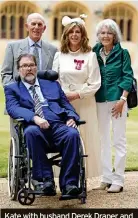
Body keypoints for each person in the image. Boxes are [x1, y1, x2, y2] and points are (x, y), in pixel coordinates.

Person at [4, 53, 81, 197]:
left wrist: (72, 117)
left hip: (58, 124)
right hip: (35, 127)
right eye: (24, 66)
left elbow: (65, 104)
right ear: (19, 70)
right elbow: (13, 108)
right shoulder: (12, 89)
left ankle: (69, 184)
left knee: (72, 133)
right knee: (30, 132)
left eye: (31, 65)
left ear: (36, 67)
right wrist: (35, 118)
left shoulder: (52, 84)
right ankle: (45, 180)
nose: (29, 69)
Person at [52, 15, 101, 180]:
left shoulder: (90, 55)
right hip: (64, 103)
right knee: (65, 136)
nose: (74, 34)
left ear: (82, 34)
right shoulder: (59, 55)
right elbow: (54, 80)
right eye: (71, 31)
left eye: (77, 31)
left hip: (84, 102)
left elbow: (95, 83)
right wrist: (62, 96)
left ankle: (84, 176)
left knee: (85, 137)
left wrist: (77, 94)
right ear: (66, 35)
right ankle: (64, 176)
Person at [93, 19, 133, 193]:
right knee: (103, 140)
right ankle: (106, 177)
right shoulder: (94, 51)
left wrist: (122, 100)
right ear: (98, 35)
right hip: (100, 99)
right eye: (102, 33)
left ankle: (119, 179)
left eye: (109, 33)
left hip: (118, 101)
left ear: (115, 35)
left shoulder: (123, 53)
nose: (105, 36)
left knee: (118, 140)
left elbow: (127, 77)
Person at [1, 13, 57, 86]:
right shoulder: (12, 47)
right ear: (27, 27)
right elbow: (6, 74)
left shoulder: (53, 50)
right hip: (20, 95)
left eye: (39, 24)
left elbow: (55, 76)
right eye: (33, 24)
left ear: (44, 29)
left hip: (45, 95)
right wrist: (15, 91)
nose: (36, 27)